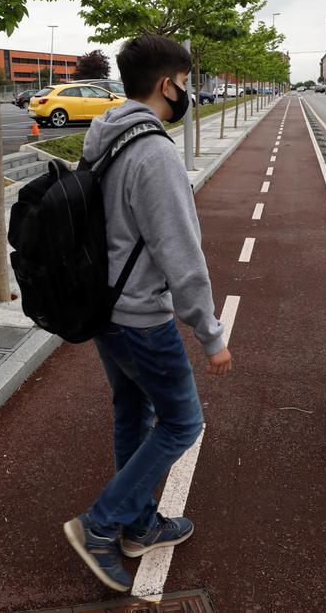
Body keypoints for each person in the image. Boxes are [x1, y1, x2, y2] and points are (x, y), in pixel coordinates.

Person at [62, 34, 234, 591]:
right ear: (168, 84)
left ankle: (138, 526)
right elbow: (181, 255)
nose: (188, 92)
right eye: (186, 83)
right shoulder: (155, 153)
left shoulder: (105, 134)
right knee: (184, 422)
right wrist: (210, 333)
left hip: (104, 307)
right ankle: (101, 525)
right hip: (140, 315)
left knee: (132, 413)